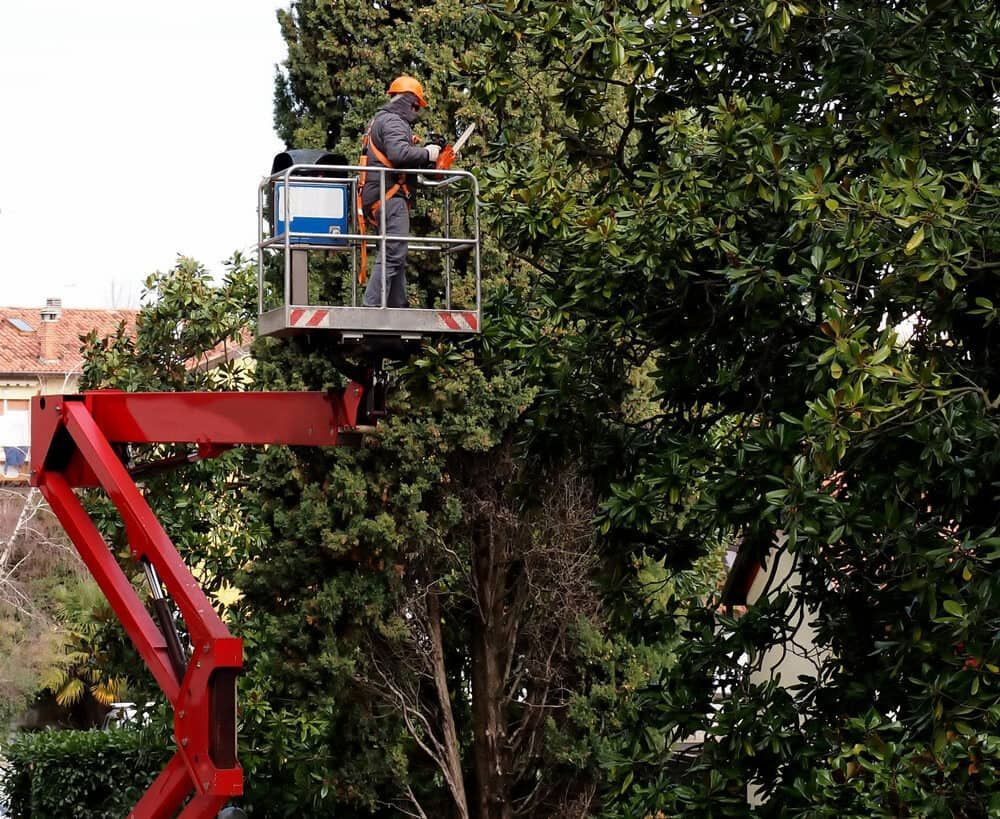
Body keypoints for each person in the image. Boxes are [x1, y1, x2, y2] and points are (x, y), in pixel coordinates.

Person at [361, 75, 441, 307]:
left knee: (395, 252)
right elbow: (398, 154)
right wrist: (428, 154)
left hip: (379, 195)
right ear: (408, 101)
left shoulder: (381, 120)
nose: (417, 112)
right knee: (394, 251)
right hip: (389, 195)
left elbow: (397, 156)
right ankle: (372, 306)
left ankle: (398, 305)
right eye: (416, 106)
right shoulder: (394, 122)